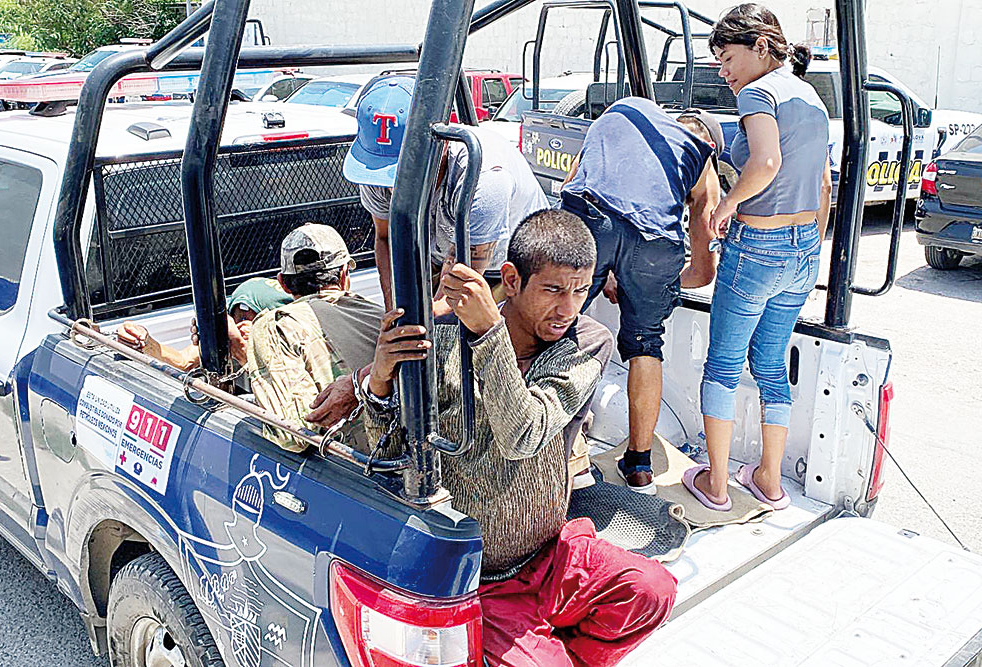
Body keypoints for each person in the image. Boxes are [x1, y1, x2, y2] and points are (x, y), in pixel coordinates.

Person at [359, 209, 677, 666]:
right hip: (479, 579)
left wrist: (490, 333)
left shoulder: (586, 341)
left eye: (580, 290)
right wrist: (381, 384)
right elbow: (391, 455)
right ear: (510, 279)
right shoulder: (443, 341)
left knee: (653, 591)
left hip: (551, 555)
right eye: (552, 290)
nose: (567, 309)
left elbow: (522, 434)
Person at [684, 3, 832, 512]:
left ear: (761, 47)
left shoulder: (757, 93)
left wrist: (727, 203)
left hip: (758, 247)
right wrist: (806, 246)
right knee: (770, 362)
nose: (723, 72)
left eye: (727, 58)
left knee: (723, 365)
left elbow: (766, 161)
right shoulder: (810, 96)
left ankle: (718, 484)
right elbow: (822, 184)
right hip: (803, 250)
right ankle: (770, 481)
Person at [560, 98, 723, 493]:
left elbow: (571, 185)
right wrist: (648, 282)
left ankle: (560, 449)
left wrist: (612, 268)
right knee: (646, 345)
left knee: (558, 325)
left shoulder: (627, 111)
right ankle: (639, 467)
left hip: (591, 218)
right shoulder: (701, 159)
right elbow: (703, 272)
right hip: (657, 246)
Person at [342, 74, 548, 309]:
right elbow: (386, 237)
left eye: (403, 172)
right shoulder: (374, 169)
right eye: (388, 173)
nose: (392, 186)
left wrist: (421, 325)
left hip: (507, 268)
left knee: (483, 336)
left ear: (440, 144)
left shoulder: (485, 177)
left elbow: (462, 281)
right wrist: (394, 311)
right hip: (443, 252)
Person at [248, 223, 384, 452]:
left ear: (283, 283)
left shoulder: (275, 326)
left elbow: (291, 436)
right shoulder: (379, 315)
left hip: (349, 475)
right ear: (344, 275)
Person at [115, 277, 292, 371]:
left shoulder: (297, 355)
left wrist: (244, 354)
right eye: (237, 319)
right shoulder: (232, 336)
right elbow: (183, 361)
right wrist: (144, 342)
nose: (240, 327)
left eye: (249, 321)